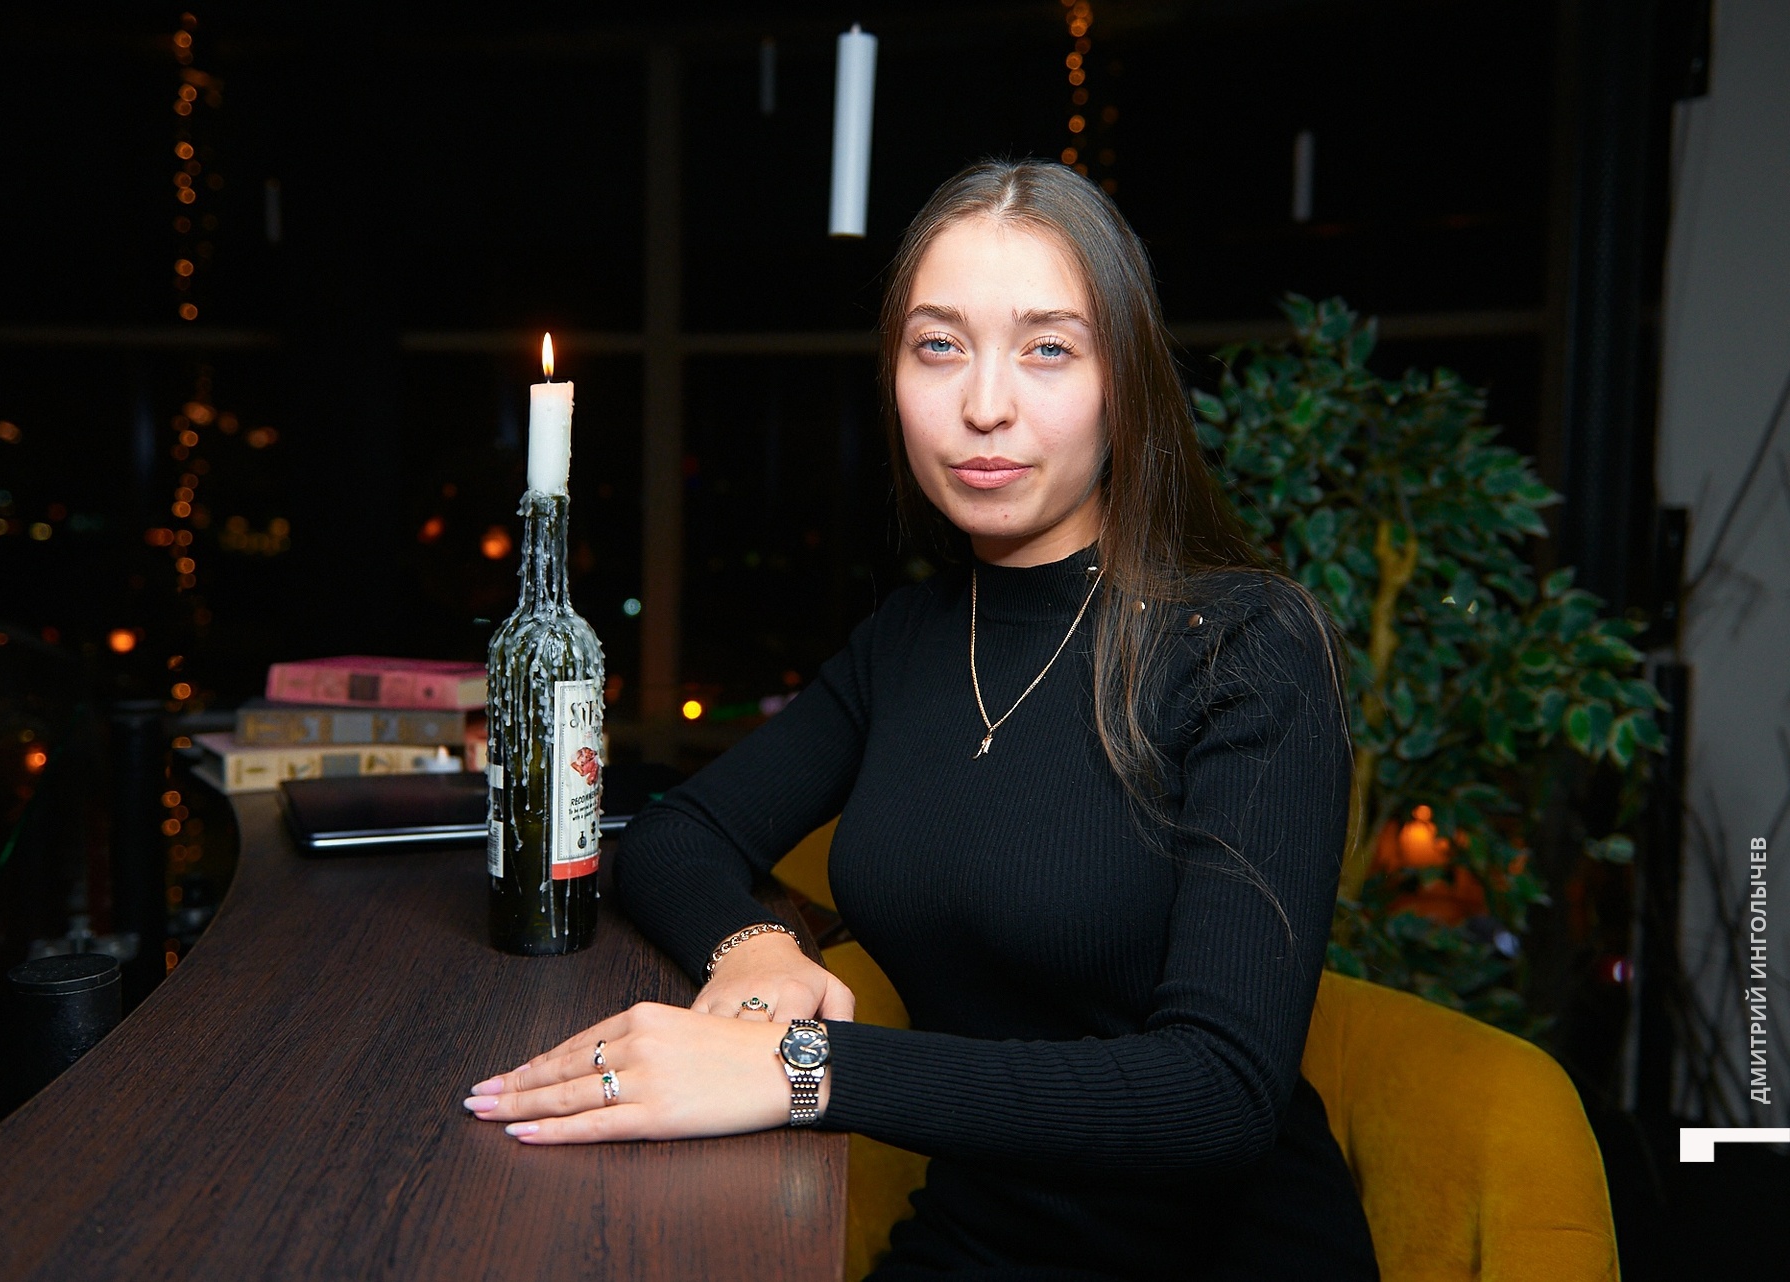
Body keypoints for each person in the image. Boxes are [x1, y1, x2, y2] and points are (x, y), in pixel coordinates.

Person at [461, 158, 1379, 1280]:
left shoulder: (1248, 644)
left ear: (1126, 383)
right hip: (975, 1246)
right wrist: (758, 946)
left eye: (1049, 347)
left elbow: (1218, 1095)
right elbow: (676, 835)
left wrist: (803, 1069)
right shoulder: (912, 639)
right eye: (939, 345)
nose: (984, 404)